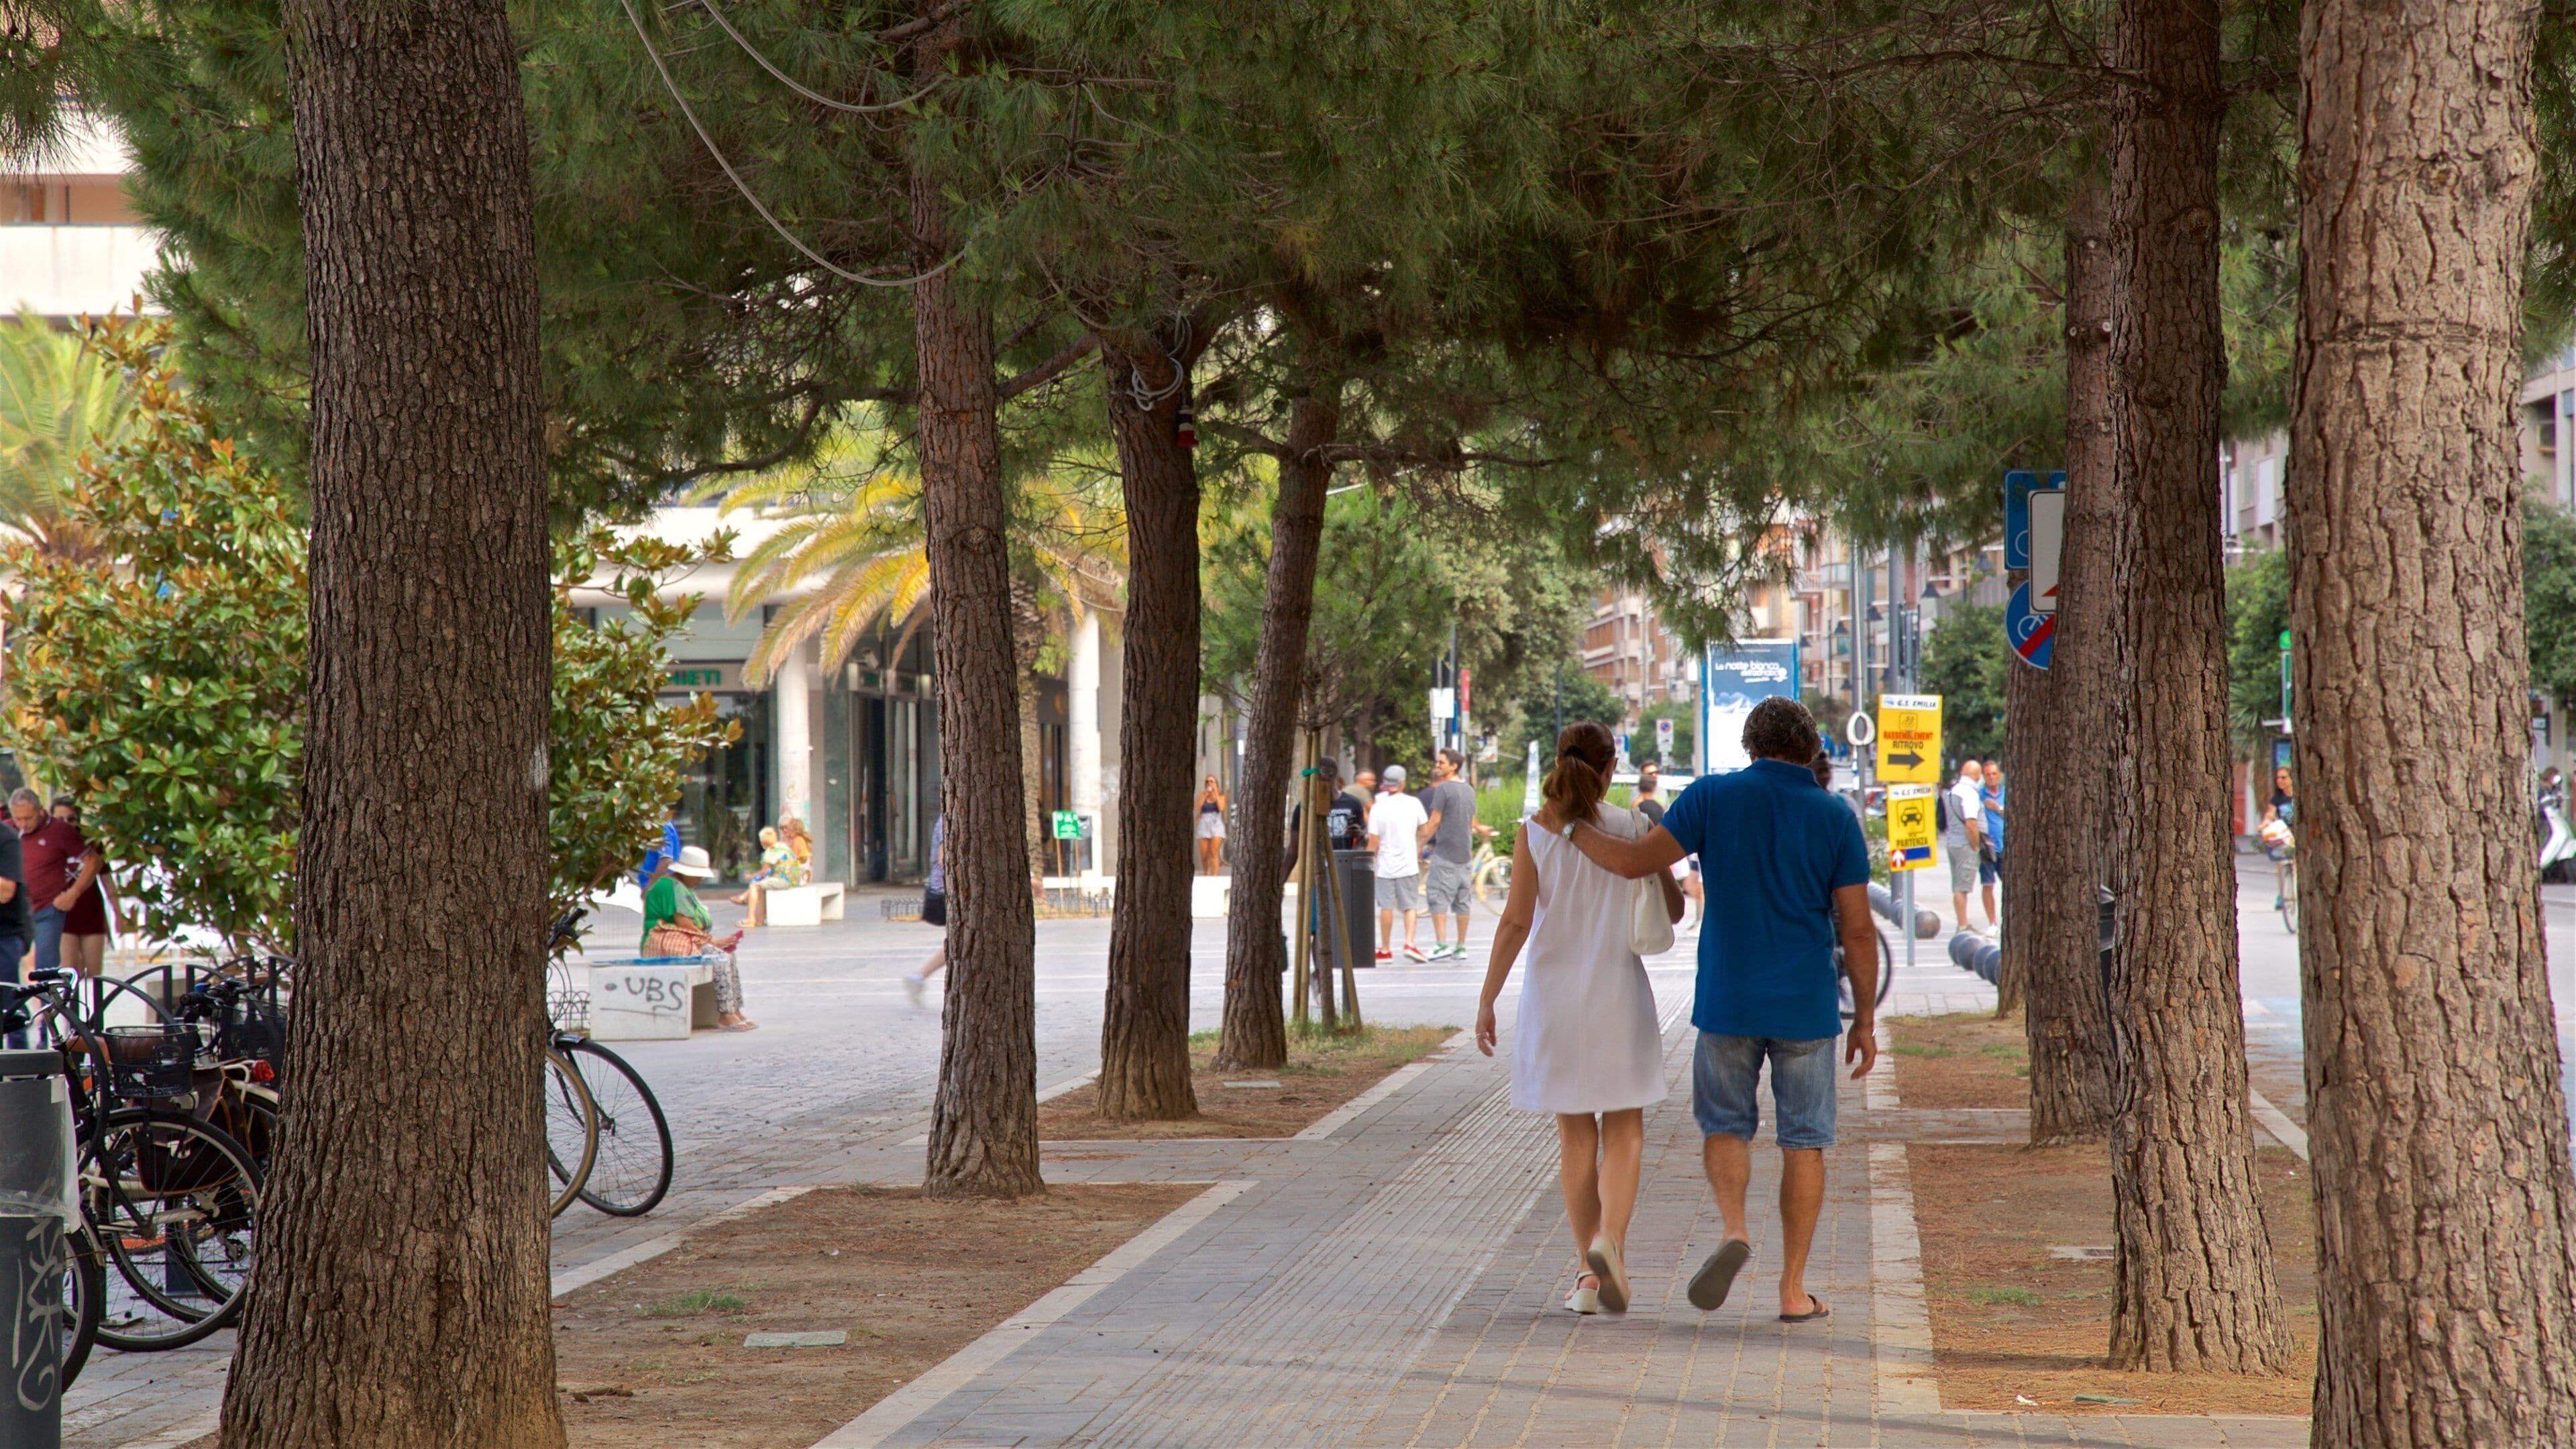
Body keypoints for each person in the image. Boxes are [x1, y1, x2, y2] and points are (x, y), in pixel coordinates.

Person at [1562, 696, 1878, 1324]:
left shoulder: (1711, 796)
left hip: (1728, 998)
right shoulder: (1835, 816)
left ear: (1749, 745)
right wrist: (1865, 1019)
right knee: (1805, 1141)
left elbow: (1633, 863)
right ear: (1812, 749)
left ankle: (1734, 1227)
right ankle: (1792, 1291)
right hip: (1806, 1004)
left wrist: (1571, 828)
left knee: (1726, 1126)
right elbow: (1859, 928)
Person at [1477, 721, 1682, 1316]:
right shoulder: (1632, 826)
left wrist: (1487, 999)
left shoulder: (1534, 832)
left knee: (1575, 1137)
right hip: (1618, 992)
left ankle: (1588, 1279)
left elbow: (1515, 921)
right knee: (1625, 1128)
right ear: (1611, 767)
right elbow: (1673, 909)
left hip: (1554, 1000)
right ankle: (1609, 1242)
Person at [640, 845, 755, 1030]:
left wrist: (713, 941)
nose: (701, 879)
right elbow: (684, 923)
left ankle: (735, 1009)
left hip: (686, 939)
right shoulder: (671, 887)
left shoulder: (681, 887)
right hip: (666, 942)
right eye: (698, 875)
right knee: (720, 958)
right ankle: (725, 1013)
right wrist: (712, 941)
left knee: (728, 956)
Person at [11, 788, 89, 981]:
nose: (23, 824)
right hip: (16, 911)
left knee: (45, 967)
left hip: (48, 910)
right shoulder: (8, 831)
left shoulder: (60, 831)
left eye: (28, 818)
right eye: (18, 819)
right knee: (8, 963)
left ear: (40, 810)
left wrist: (73, 893)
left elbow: (93, 862)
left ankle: (47, 1000)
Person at [1420, 749, 1489, 961]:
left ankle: (1441, 944)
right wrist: (1481, 829)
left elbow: (1435, 821)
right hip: (1465, 855)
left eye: (1441, 762)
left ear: (1454, 766)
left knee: (1437, 897)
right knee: (1462, 902)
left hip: (1445, 853)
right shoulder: (1469, 790)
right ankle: (1461, 947)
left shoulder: (1443, 789)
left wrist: (1419, 843)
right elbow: (1472, 821)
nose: (1437, 765)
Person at [1366, 763, 1431, 962]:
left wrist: (1367, 862)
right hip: (1408, 864)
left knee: (1386, 906)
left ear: (1386, 784)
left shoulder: (1378, 807)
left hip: (1385, 866)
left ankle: (1386, 949)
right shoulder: (1414, 803)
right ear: (1402, 783)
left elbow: (1374, 841)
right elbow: (1425, 831)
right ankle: (1409, 943)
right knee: (1410, 905)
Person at [46, 796, 117, 977]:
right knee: (69, 971)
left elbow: (107, 881)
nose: (66, 824)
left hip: (91, 912)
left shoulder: (91, 842)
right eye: (60, 819)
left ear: (78, 819)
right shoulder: (46, 842)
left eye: (71, 819)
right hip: (61, 914)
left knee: (93, 975)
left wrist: (118, 914)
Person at [906, 815, 948, 1005]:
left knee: (961, 941)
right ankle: (918, 978)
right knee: (963, 941)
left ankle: (919, 978)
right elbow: (944, 858)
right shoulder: (949, 819)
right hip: (945, 893)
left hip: (944, 891)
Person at [1943, 761, 1988, 930]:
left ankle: (1961, 922)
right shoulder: (1969, 793)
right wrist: (1976, 846)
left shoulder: (1953, 791)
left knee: (1957, 885)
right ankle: (1963, 924)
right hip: (1965, 844)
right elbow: (1971, 824)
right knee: (1962, 887)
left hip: (1953, 842)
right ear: (1976, 776)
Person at [733, 826, 797, 927]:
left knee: (754, 886)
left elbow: (763, 872)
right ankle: (760, 919)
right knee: (762, 887)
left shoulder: (771, 850)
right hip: (794, 879)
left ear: (763, 842)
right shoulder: (782, 846)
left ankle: (750, 918)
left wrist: (750, 876)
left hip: (784, 880)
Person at [0, 808, 23, 1049]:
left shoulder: (5, 838)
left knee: (11, 1006)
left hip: (4, 935)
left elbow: (6, 891)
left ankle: (21, 1065)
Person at [2263, 765, 2297, 911]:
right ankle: (2282, 895)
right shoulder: (2277, 798)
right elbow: (2270, 814)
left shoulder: (2298, 795)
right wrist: (2264, 824)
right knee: (2281, 863)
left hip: (2298, 833)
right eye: (2278, 778)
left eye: (2284, 778)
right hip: (2285, 834)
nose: (2280, 781)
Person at [1978, 763, 2006, 925]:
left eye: (1994, 774)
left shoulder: (2007, 793)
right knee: (1988, 884)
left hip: (2005, 846)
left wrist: (1998, 808)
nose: (1992, 777)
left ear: (2000, 775)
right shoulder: (1979, 795)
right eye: (1988, 774)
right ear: (1984, 777)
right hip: (1987, 847)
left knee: (2009, 884)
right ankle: (1992, 922)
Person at [637, 802, 683, 889]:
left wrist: (649, 888)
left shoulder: (661, 825)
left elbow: (666, 861)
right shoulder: (650, 825)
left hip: (660, 889)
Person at [1196, 775, 1230, 875]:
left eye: (1212, 781)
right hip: (1204, 824)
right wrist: (1205, 795)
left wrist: (1215, 792)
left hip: (1216, 824)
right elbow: (1197, 807)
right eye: (1207, 782)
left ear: (1216, 783)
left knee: (1213, 853)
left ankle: (1215, 876)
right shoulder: (1203, 794)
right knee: (1204, 855)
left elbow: (1221, 808)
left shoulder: (1222, 796)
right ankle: (1207, 873)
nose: (1209, 783)